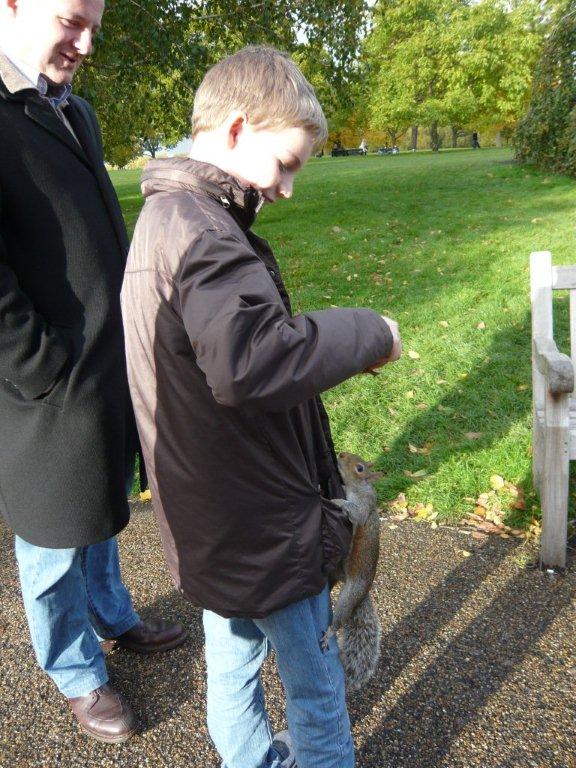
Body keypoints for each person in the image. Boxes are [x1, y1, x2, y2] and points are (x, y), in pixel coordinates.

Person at [122, 46, 402, 768]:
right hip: (265, 528)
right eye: (285, 163)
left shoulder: (166, 218)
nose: (288, 188)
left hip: (214, 521)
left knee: (232, 665)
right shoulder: (205, 237)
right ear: (239, 128)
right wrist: (369, 332)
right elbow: (253, 363)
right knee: (317, 692)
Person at [0, 0, 187, 744]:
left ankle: (113, 615)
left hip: (106, 360)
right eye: (71, 20)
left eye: (94, 29)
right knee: (52, 534)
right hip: (45, 383)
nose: (84, 43)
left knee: (100, 502)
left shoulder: (73, 108)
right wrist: (40, 367)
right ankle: (75, 672)